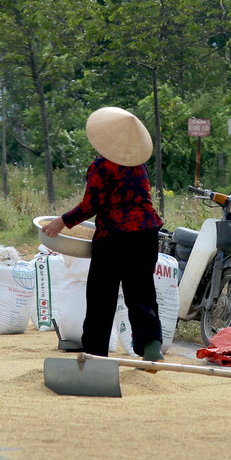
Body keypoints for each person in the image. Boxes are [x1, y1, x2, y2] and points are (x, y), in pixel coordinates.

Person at [42, 107, 164, 362]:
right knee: (142, 293)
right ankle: (151, 347)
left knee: (101, 297)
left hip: (114, 238)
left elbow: (91, 205)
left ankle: (95, 355)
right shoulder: (139, 166)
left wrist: (60, 222)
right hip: (146, 234)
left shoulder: (100, 166)